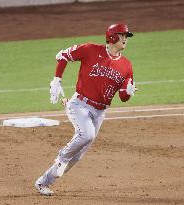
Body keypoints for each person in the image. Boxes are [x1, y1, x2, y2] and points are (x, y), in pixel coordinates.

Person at [35, 23, 137, 195]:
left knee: (78, 156)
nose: (125, 39)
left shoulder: (126, 65)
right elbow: (62, 55)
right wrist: (56, 80)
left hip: (100, 112)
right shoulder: (90, 49)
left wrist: (128, 92)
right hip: (79, 104)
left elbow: (123, 97)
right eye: (122, 35)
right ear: (112, 37)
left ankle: (43, 182)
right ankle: (61, 156)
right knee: (86, 134)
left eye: (126, 36)